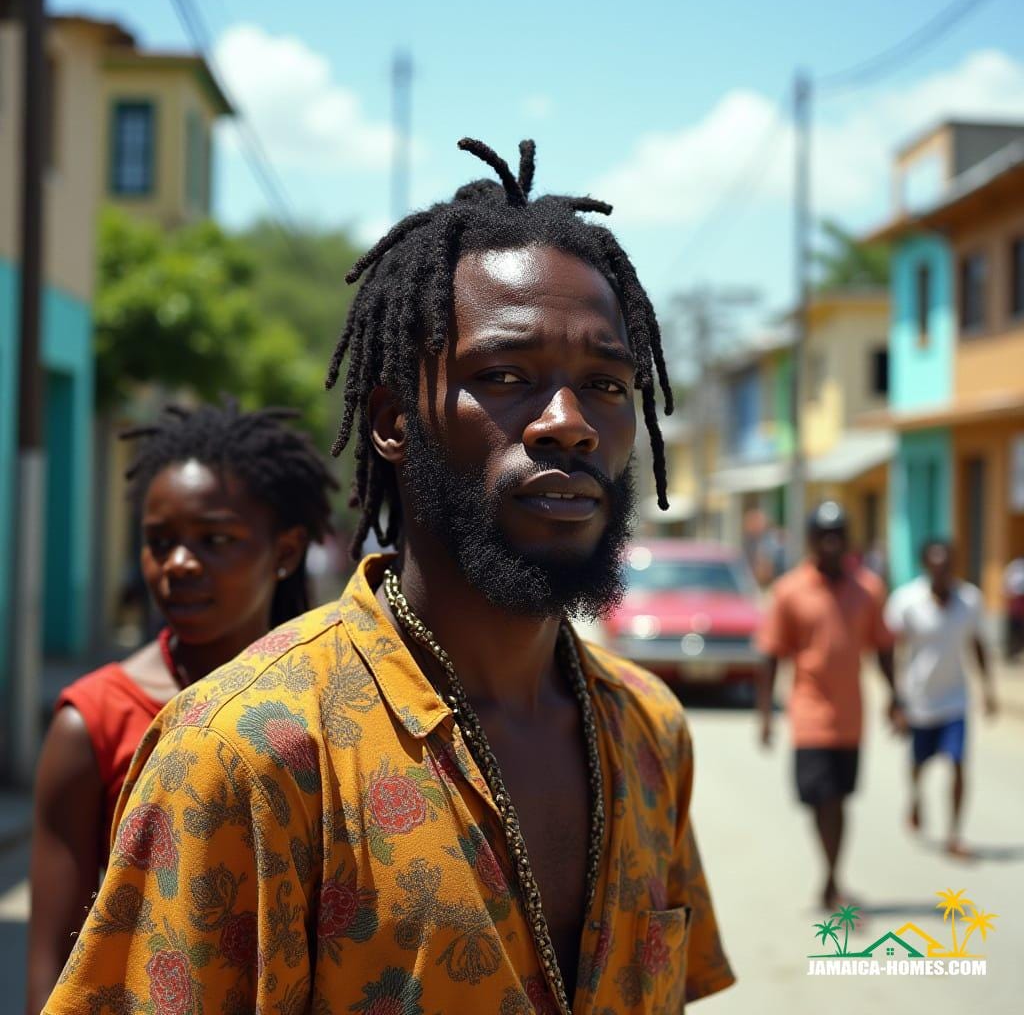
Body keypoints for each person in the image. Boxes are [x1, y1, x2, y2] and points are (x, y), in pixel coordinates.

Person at [43, 139, 734, 1014]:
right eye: (507, 375)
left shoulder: (650, 733)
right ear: (393, 422)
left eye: (604, 383)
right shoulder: (247, 752)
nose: (570, 424)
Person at [27, 400, 337, 1014]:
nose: (178, 565)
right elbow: (54, 969)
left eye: (215, 539)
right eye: (159, 542)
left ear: (286, 550)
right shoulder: (93, 720)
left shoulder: (340, 703)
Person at [756, 500, 902, 910]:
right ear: (811, 540)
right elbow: (770, 655)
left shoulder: (868, 589)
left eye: (838, 535)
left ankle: (832, 878)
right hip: (808, 713)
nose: (832, 543)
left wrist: (896, 698)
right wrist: (765, 715)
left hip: (851, 716)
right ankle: (833, 877)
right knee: (821, 797)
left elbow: (885, 647)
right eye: (824, 536)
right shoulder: (790, 591)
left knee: (839, 797)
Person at [885, 539, 997, 858]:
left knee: (958, 763)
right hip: (919, 699)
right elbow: (894, 650)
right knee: (919, 763)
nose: (941, 572)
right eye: (935, 566)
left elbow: (978, 644)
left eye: (947, 565)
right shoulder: (907, 601)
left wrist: (988, 689)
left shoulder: (969, 600)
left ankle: (954, 834)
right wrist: (896, 698)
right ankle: (916, 796)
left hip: (955, 699)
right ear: (925, 567)